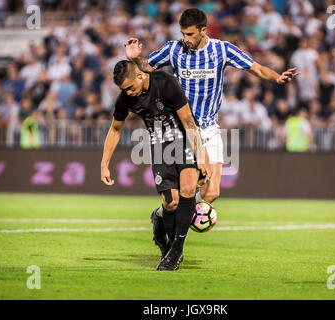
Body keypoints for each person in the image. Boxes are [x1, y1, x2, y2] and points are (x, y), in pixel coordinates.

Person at [124, 8, 299, 255]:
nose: (185, 38)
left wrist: (277, 78)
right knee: (185, 191)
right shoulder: (174, 49)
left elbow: (255, 67)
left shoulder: (222, 50)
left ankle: (164, 214)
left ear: (203, 30)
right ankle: (172, 220)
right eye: (183, 33)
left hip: (210, 126)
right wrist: (133, 59)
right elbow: (144, 69)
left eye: (190, 34)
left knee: (212, 192)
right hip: (184, 129)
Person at [100, 60, 212, 271]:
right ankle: (165, 238)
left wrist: (201, 156)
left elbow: (188, 122)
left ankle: (176, 250)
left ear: (140, 76)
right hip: (159, 146)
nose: (129, 93)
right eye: (124, 90)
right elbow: (115, 129)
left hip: (184, 140)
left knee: (188, 189)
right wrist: (104, 164)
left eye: (130, 87)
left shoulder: (166, 84)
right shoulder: (125, 98)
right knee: (171, 203)